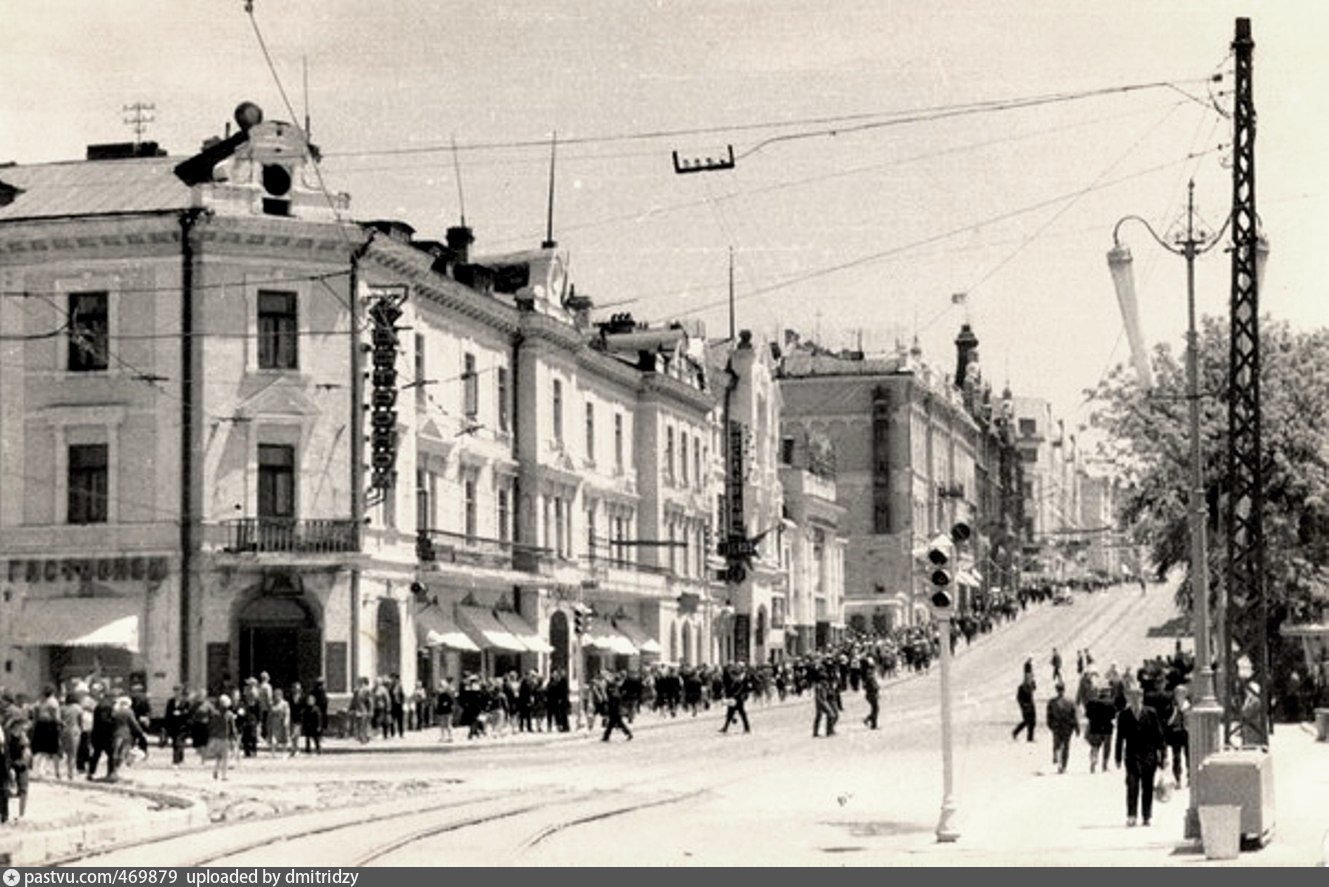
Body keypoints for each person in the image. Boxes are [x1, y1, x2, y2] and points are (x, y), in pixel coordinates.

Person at [1115, 685, 1166, 827]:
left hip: (1149, 755)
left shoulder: (1151, 713)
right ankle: (1131, 815)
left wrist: (1163, 754)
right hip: (1131, 755)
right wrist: (1118, 757)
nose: (1135, 699)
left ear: (1142, 697)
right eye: (1132, 697)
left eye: (1138, 696)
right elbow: (1120, 738)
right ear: (1128, 698)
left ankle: (1146, 815)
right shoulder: (1123, 715)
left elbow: (1159, 735)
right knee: (1132, 785)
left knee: (1147, 786)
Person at [1045, 682, 1079, 773]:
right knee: (1066, 746)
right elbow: (1074, 716)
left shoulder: (1052, 702)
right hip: (1067, 727)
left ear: (1056, 690)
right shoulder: (1070, 701)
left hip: (1056, 726)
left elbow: (1049, 716)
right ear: (1064, 689)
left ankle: (1058, 759)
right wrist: (1077, 728)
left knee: (1057, 744)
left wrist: (1051, 726)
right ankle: (1063, 766)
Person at [1084, 686, 1116, 774]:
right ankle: (1104, 765)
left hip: (1095, 727)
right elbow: (1113, 716)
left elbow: (1087, 715)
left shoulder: (1092, 702)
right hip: (1107, 728)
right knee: (1107, 747)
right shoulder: (1111, 703)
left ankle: (1094, 759)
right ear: (1108, 693)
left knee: (1095, 745)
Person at [1164, 684, 1191, 789]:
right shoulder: (1171, 706)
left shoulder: (1189, 706)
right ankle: (1177, 779)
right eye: (1177, 694)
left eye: (1181, 693)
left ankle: (1190, 778)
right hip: (1175, 734)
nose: (1179, 696)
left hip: (1187, 733)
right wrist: (1175, 712)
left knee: (1189, 757)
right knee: (1176, 757)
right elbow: (1168, 722)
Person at [163, 686, 192, 769]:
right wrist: (166, 726)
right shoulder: (171, 701)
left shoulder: (185, 702)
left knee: (178, 742)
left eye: (178, 691)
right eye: (175, 691)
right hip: (173, 726)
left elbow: (188, 713)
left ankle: (175, 761)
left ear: (181, 692)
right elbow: (167, 713)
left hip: (182, 726)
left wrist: (180, 713)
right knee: (176, 743)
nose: (176, 693)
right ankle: (181, 759)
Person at [719, 663, 752, 734]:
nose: (736, 668)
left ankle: (747, 728)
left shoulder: (744, 676)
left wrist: (737, 694)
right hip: (734, 696)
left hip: (739, 697)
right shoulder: (737, 675)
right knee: (731, 712)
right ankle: (726, 727)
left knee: (741, 713)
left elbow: (742, 687)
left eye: (738, 667)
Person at [600, 676, 633, 742]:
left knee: (616, 722)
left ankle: (628, 734)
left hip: (613, 707)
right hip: (614, 706)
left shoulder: (611, 688)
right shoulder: (614, 688)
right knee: (612, 723)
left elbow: (611, 698)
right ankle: (606, 736)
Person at [812, 668, 838, 738]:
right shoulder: (819, 686)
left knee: (820, 716)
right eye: (824, 679)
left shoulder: (825, 685)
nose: (825, 681)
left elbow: (828, 693)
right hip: (821, 702)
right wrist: (823, 703)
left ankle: (819, 731)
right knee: (830, 714)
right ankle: (828, 731)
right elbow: (819, 696)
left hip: (823, 701)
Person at [1012, 673, 1037, 742]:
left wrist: (1033, 683)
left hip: (1031, 705)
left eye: (1031, 678)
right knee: (1027, 721)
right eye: (1029, 678)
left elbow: (1035, 688)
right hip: (1025, 707)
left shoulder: (1030, 686)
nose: (1030, 679)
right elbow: (1019, 698)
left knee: (1033, 722)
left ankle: (1030, 738)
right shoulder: (1021, 687)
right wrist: (1023, 705)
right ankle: (1015, 732)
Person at [266, 688, 291, 755]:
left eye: (278, 695)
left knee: (283, 738)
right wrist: (268, 723)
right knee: (273, 738)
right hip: (274, 723)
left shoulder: (285, 703)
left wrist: (286, 721)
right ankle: (273, 752)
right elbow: (270, 714)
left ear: (281, 695)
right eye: (275, 695)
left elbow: (287, 713)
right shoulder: (272, 704)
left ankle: (284, 752)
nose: (277, 697)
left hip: (282, 722)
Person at [862, 657, 881, 730]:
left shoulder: (868, 672)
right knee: (875, 708)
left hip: (870, 693)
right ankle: (870, 721)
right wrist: (877, 687)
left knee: (875, 708)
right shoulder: (869, 673)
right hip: (871, 693)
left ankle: (872, 723)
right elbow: (872, 683)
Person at [436, 678, 455, 742]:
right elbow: (439, 702)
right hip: (442, 711)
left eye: (441, 686)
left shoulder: (448, 694)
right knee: (442, 724)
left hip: (447, 711)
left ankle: (450, 737)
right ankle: (443, 737)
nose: (440, 688)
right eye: (440, 686)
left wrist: (446, 704)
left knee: (448, 724)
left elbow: (451, 702)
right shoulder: (440, 695)